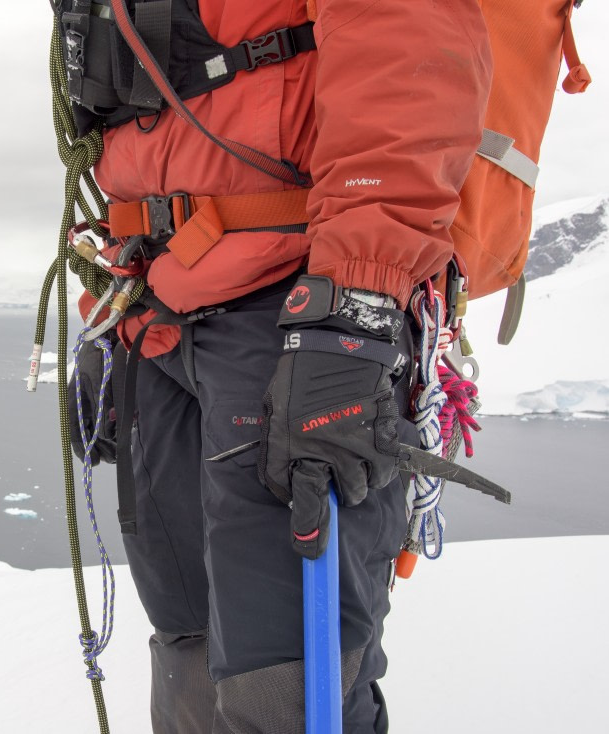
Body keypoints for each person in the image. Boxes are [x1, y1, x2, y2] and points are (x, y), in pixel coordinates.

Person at [63, 0, 492, 731]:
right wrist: (113, 307)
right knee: (189, 656)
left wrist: (351, 312)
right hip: (160, 311)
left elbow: (407, 48)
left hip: (298, 303)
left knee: (284, 687)